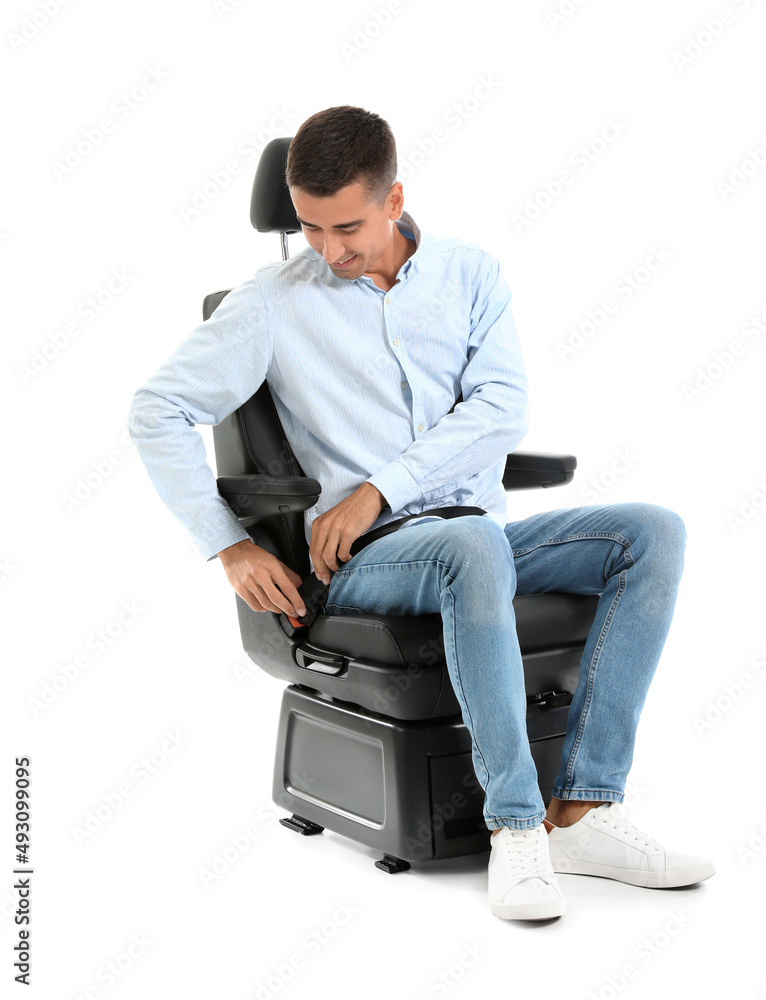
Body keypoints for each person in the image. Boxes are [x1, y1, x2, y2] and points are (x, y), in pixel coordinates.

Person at [128, 105, 714, 922]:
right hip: (365, 559)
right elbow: (154, 411)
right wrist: (227, 545)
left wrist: (383, 483)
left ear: (393, 196)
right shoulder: (270, 302)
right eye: (307, 227)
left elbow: (502, 406)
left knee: (650, 532)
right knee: (470, 541)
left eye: (346, 226)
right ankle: (514, 824)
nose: (328, 250)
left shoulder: (469, 273)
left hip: (465, 535)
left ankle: (582, 808)